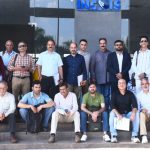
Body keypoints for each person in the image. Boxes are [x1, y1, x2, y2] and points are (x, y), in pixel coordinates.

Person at [109, 79, 140, 143]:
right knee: (112, 113)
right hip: (118, 114)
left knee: (136, 113)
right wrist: (117, 114)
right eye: (120, 83)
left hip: (127, 114)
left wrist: (133, 113)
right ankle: (113, 135)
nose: (121, 84)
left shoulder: (130, 93)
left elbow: (135, 106)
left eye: (123, 83)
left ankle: (134, 136)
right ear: (117, 85)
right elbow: (112, 106)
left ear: (126, 85)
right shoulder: (114, 94)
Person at [90, 38, 111, 127]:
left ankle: (105, 114)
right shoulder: (95, 54)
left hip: (107, 79)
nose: (102, 45)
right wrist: (93, 77)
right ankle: (99, 115)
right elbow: (92, 67)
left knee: (106, 97)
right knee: (98, 97)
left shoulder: (110, 53)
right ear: (99, 44)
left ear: (106, 44)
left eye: (104, 43)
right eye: (101, 43)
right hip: (97, 80)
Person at [137, 77, 150, 143]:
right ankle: (144, 136)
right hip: (145, 115)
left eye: (146, 83)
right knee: (141, 114)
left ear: (149, 84)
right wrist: (142, 109)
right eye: (143, 84)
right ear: (141, 85)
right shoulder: (138, 95)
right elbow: (137, 108)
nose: (145, 85)